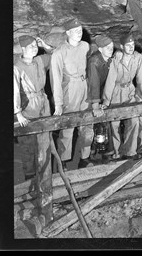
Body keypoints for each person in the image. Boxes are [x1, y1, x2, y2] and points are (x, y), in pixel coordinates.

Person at [50, 19, 94, 170]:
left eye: (81, 30)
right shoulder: (59, 53)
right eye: (75, 31)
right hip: (70, 89)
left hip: (85, 87)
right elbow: (55, 80)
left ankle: (85, 158)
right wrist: (58, 103)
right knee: (68, 128)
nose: (79, 33)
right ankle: (62, 161)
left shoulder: (86, 46)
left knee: (87, 124)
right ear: (67, 33)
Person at [14, 35, 53, 178]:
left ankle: (44, 171)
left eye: (35, 46)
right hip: (28, 106)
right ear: (22, 48)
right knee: (28, 142)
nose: (34, 49)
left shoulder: (39, 60)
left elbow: (57, 56)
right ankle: (30, 175)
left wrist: (45, 46)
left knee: (45, 138)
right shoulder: (17, 66)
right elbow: (15, 90)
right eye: (30, 46)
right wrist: (18, 113)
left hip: (43, 102)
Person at [102, 33, 142, 160]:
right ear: (121, 46)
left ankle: (130, 151)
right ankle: (116, 152)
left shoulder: (137, 57)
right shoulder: (117, 58)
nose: (131, 48)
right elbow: (110, 79)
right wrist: (106, 99)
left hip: (129, 91)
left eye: (132, 45)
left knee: (134, 120)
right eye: (128, 45)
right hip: (116, 91)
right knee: (114, 124)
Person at [86, 34, 114, 162]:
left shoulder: (107, 59)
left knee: (103, 122)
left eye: (112, 47)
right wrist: (96, 105)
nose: (111, 49)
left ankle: (105, 151)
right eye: (107, 47)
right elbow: (94, 83)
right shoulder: (94, 61)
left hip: (100, 93)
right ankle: (89, 154)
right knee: (91, 123)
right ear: (100, 49)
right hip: (89, 95)